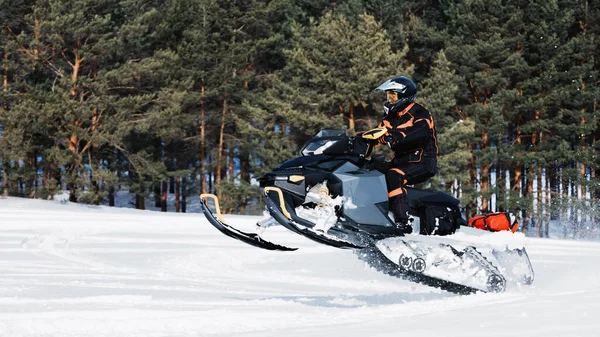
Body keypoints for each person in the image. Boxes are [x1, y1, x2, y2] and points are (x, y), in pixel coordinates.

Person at [374, 76, 438, 234]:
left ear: (404, 95)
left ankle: (403, 222)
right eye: (388, 96)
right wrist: (356, 142)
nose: (389, 99)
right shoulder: (390, 117)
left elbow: (421, 134)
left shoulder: (419, 112)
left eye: (393, 96)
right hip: (401, 161)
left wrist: (397, 137)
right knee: (371, 170)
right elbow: (377, 133)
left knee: (394, 176)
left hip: (422, 161)